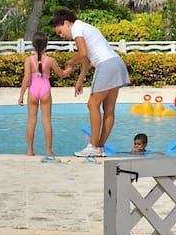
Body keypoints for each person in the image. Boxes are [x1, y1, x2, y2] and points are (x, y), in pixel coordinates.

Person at [52, 8, 130, 157]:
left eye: (60, 32)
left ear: (67, 23)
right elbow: (87, 58)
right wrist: (80, 79)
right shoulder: (84, 27)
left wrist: (71, 62)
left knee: (92, 104)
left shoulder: (76, 29)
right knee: (109, 109)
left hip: (106, 65)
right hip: (116, 63)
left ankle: (93, 146)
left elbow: (82, 54)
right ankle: (99, 147)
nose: (62, 36)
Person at [17, 31, 67, 157]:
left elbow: (27, 78)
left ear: (33, 44)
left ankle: (29, 151)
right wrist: (71, 69)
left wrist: (21, 95)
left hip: (33, 91)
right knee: (47, 122)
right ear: (46, 45)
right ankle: (49, 151)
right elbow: (61, 74)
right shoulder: (50, 60)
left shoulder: (28, 60)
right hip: (45, 90)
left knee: (31, 122)